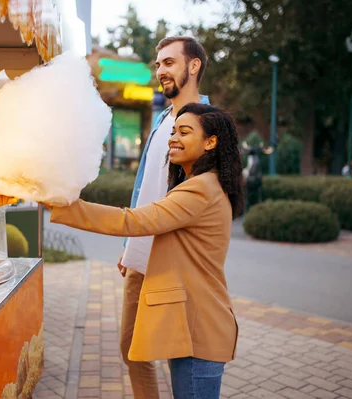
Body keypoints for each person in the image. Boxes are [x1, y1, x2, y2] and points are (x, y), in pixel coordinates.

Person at [45, 103, 243, 399]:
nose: (173, 138)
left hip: (200, 328)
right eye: (173, 131)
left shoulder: (200, 189)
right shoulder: (206, 185)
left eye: (184, 132)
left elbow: (132, 220)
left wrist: (61, 205)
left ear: (211, 142)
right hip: (200, 324)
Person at [120, 36, 211, 398]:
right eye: (158, 64)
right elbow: (144, 185)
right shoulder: (161, 120)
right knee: (131, 350)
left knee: (178, 355)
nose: (161, 71)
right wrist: (129, 245)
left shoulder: (209, 123)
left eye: (169, 62)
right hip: (141, 254)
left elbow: (208, 196)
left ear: (193, 66)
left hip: (175, 260)